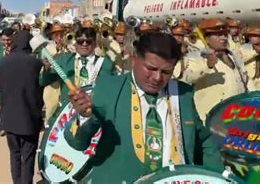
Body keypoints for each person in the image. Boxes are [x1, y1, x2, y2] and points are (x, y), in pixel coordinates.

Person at [65, 32, 223, 183]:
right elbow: (77, 143)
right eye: (151, 68)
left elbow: (203, 141)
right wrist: (83, 116)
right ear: (134, 59)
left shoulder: (182, 94)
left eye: (166, 72)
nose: (157, 78)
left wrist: (216, 177)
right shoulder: (108, 88)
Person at [0, 30, 44, 184]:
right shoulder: (36, 63)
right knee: (28, 156)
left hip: (9, 117)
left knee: (14, 154)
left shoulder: (1, 62)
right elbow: (42, 87)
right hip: (29, 118)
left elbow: (0, 89)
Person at [183, 18, 248, 122]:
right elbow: (187, 79)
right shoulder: (196, 57)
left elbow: (246, 80)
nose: (223, 38)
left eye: (225, 34)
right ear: (206, 39)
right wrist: (207, 66)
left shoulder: (234, 56)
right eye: (218, 35)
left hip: (237, 116)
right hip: (212, 119)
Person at [40, 27, 113, 113]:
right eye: (80, 41)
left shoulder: (105, 63)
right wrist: (46, 69)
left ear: (95, 43)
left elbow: (110, 91)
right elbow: (43, 82)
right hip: (68, 113)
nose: (84, 44)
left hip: (94, 112)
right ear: (75, 44)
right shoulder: (64, 60)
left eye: (88, 41)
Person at [239, 25, 260, 91]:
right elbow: (239, 61)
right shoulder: (243, 48)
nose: (257, 38)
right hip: (249, 78)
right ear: (249, 37)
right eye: (254, 36)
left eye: (258, 36)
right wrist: (255, 53)